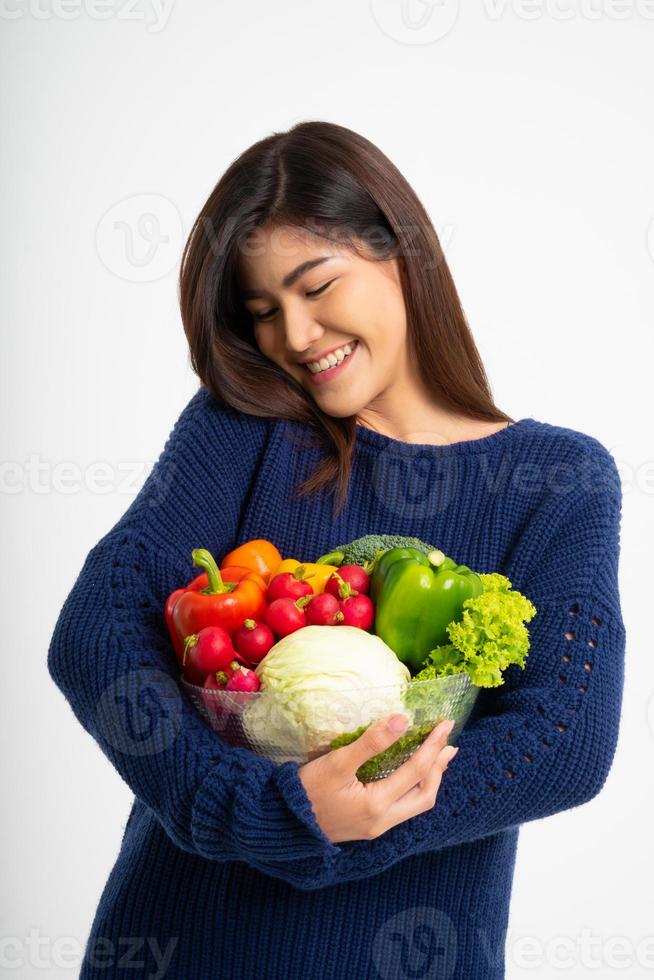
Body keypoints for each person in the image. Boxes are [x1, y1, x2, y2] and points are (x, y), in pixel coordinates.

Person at [47, 121, 626, 980]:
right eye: (263, 313)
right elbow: (98, 624)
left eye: (317, 286)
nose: (297, 334)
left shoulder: (558, 478)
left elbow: (565, 739)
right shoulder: (246, 429)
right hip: (182, 948)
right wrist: (255, 810)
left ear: (402, 252)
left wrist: (343, 821)